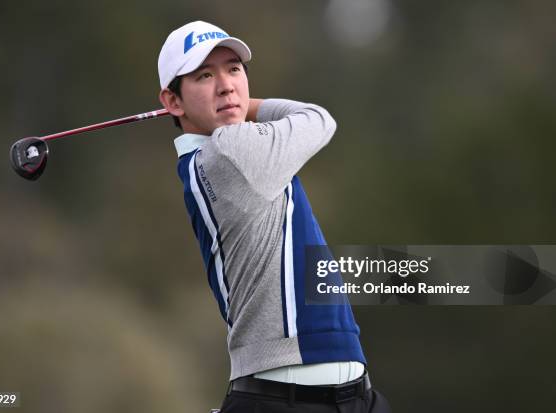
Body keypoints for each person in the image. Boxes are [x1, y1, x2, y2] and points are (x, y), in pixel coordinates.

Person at [157, 21, 392, 413]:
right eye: (204, 75)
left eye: (233, 70)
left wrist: (229, 107)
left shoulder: (219, 154)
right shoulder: (229, 152)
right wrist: (252, 105)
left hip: (355, 397)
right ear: (173, 102)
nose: (227, 85)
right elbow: (318, 119)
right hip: (281, 400)